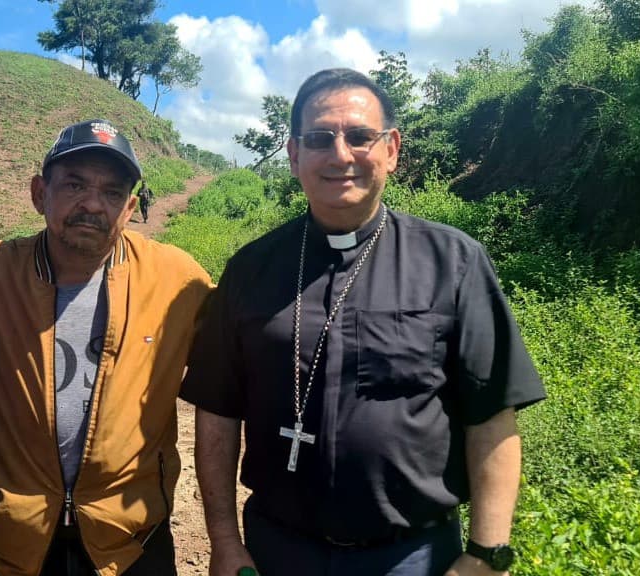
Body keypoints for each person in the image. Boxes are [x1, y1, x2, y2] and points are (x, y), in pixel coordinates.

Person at [181, 68, 546, 576]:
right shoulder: (250, 269)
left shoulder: (454, 263)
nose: (340, 154)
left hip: (413, 556)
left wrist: (487, 553)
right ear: (294, 155)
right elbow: (217, 412)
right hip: (277, 550)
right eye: (319, 139)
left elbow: (492, 414)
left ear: (391, 150)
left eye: (359, 136)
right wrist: (223, 540)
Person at [0, 119, 213, 576]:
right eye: (74, 185)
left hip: (131, 542)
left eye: (112, 192)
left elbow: (237, 369)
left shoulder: (178, 280)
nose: (93, 204)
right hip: (19, 542)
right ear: (39, 193)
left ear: (129, 207)